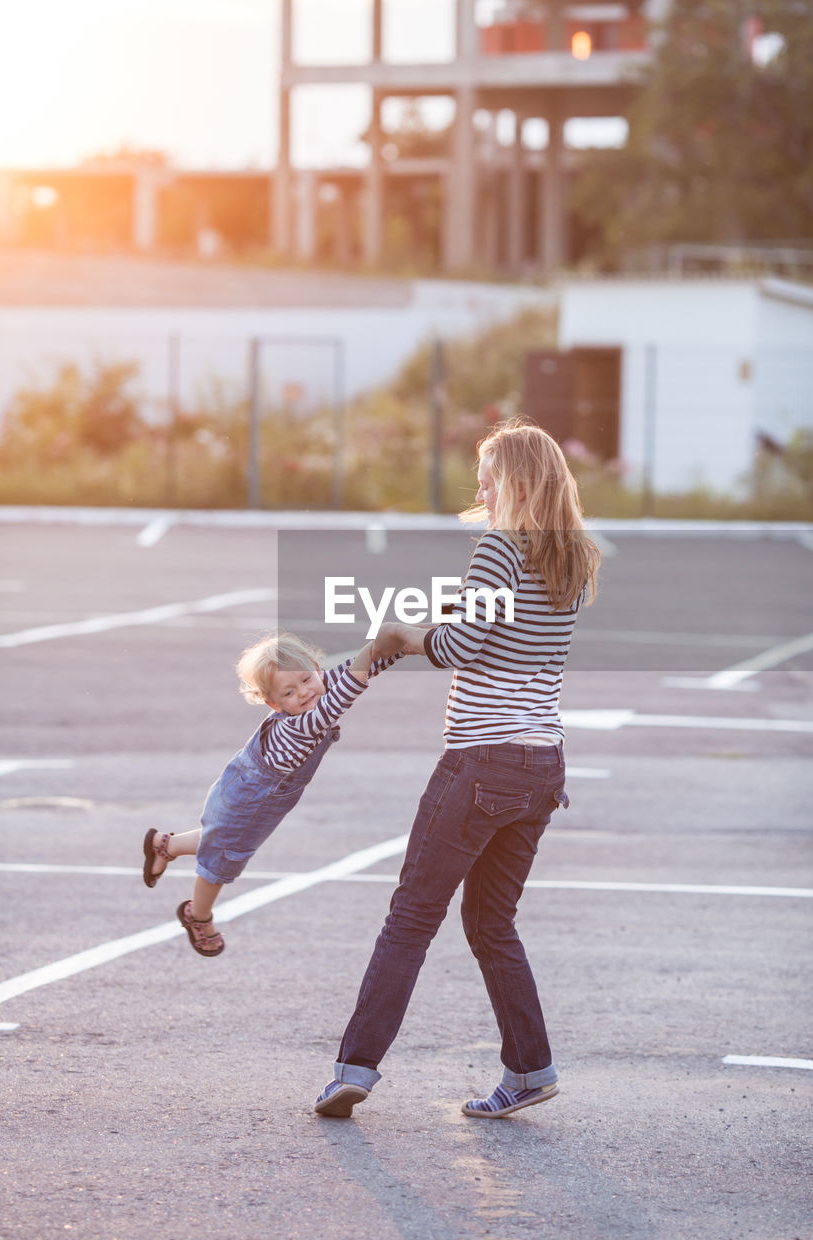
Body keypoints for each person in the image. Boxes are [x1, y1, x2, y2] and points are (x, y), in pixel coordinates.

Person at [314, 417, 600, 1119]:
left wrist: (403, 639)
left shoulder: (496, 546)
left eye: (489, 471)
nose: (479, 483)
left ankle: (354, 1068)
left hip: (481, 764)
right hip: (541, 767)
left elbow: (466, 644)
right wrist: (436, 617)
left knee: (410, 917)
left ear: (519, 480)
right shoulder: (568, 556)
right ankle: (530, 1070)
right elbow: (503, 625)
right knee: (491, 923)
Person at [142, 631, 404, 956]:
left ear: (317, 669)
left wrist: (400, 646)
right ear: (273, 703)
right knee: (223, 859)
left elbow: (364, 666)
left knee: (223, 837)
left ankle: (165, 845)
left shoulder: (317, 689)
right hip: (249, 800)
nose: (305, 692)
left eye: (307, 679)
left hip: (240, 787)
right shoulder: (304, 724)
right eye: (289, 692)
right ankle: (198, 915)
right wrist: (389, 639)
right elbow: (349, 689)